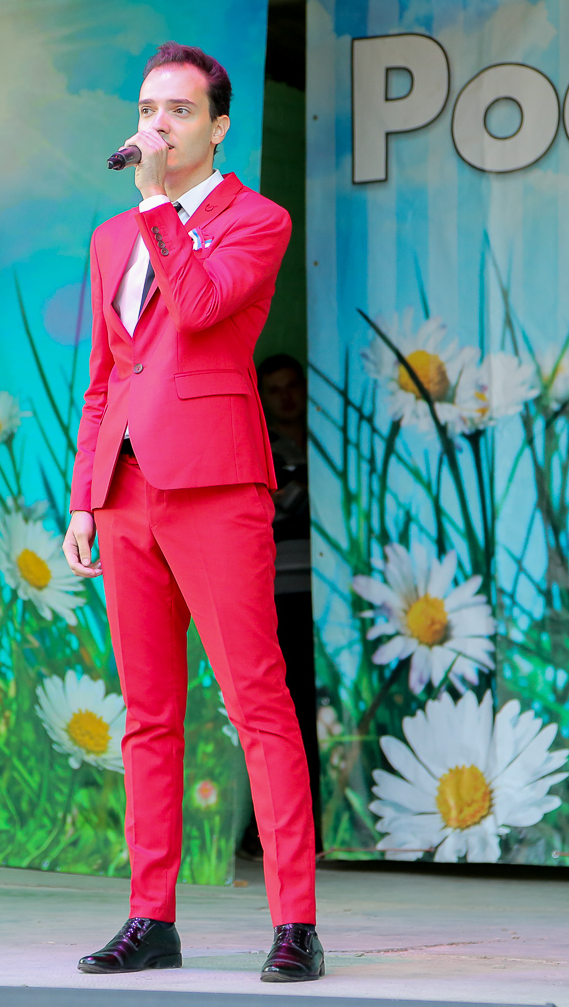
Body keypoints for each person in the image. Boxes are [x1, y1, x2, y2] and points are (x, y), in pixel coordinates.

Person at [61, 42, 324, 983]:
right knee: (147, 715)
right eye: (147, 109)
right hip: (126, 492)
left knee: (258, 701)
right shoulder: (111, 240)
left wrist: (157, 207)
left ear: (218, 128)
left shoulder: (257, 219)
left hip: (215, 484)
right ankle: (150, 917)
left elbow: (205, 307)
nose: (158, 125)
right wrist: (85, 495)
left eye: (178, 111)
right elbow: (104, 376)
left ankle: (295, 922)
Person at [250, 353, 323, 854]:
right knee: (289, 707)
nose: (286, 397)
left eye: (292, 385)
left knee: (328, 709)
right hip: (283, 594)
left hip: (335, 595)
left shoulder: (327, 438)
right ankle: (283, 830)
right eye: (273, 389)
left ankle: (328, 820)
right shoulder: (259, 443)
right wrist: (304, 490)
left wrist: (299, 490)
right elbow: (271, 508)